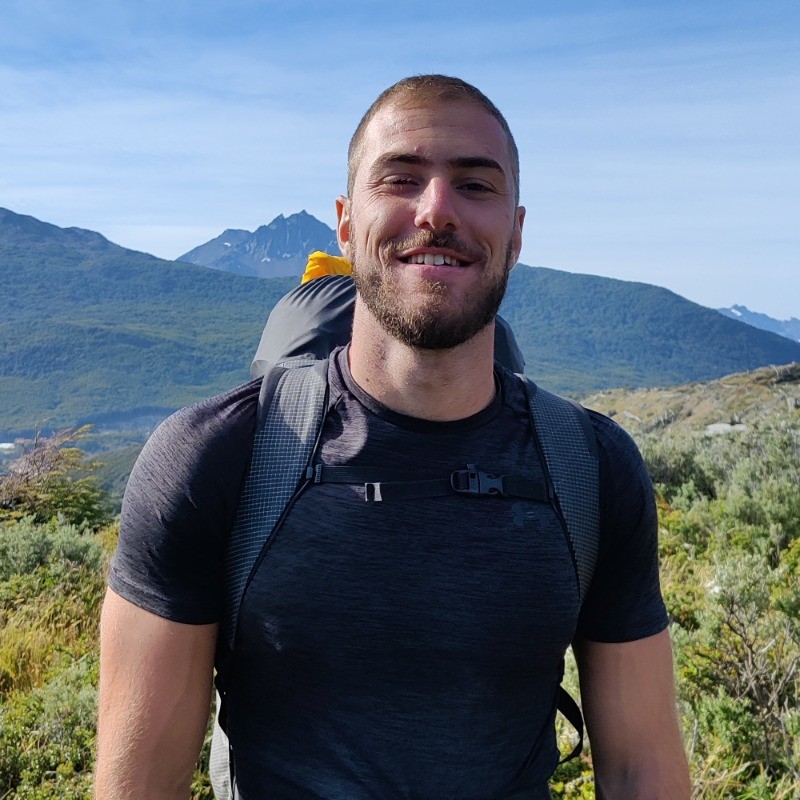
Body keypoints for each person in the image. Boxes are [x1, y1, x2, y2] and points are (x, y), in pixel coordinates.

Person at [96, 75, 691, 799]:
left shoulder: (592, 467)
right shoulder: (212, 458)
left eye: (475, 185)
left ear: (516, 231)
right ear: (346, 225)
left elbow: (641, 770)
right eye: (401, 178)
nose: (436, 210)